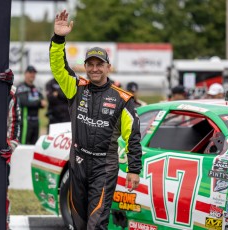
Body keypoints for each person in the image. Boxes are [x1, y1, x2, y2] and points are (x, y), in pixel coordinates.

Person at [50, 10, 142, 229]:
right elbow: (58, 66)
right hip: (78, 161)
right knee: (79, 223)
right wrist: (58, 39)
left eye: (99, 64)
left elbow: (133, 137)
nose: (94, 69)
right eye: (90, 64)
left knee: (96, 223)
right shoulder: (76, 87)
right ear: (85, 67)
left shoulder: (122, 99)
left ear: (108, 67)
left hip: (104, 165)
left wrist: (134, 169)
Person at [0, 69, 21, 230]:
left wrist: (10, 145)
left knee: (1, 189)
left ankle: (4, 224)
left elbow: (15, 122)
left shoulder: (10, 93)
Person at [16, 65, 46, 144]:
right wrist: (38, 102)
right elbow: (24, 102)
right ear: (25, 74)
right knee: (23, 145)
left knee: (34, 146)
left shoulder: (35, 88)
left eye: (34, 73)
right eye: (30, 73)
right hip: (25, 121)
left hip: (36, 121)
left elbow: (43, 103)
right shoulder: (20, 87)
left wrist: (37, 102)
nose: (32, 75)